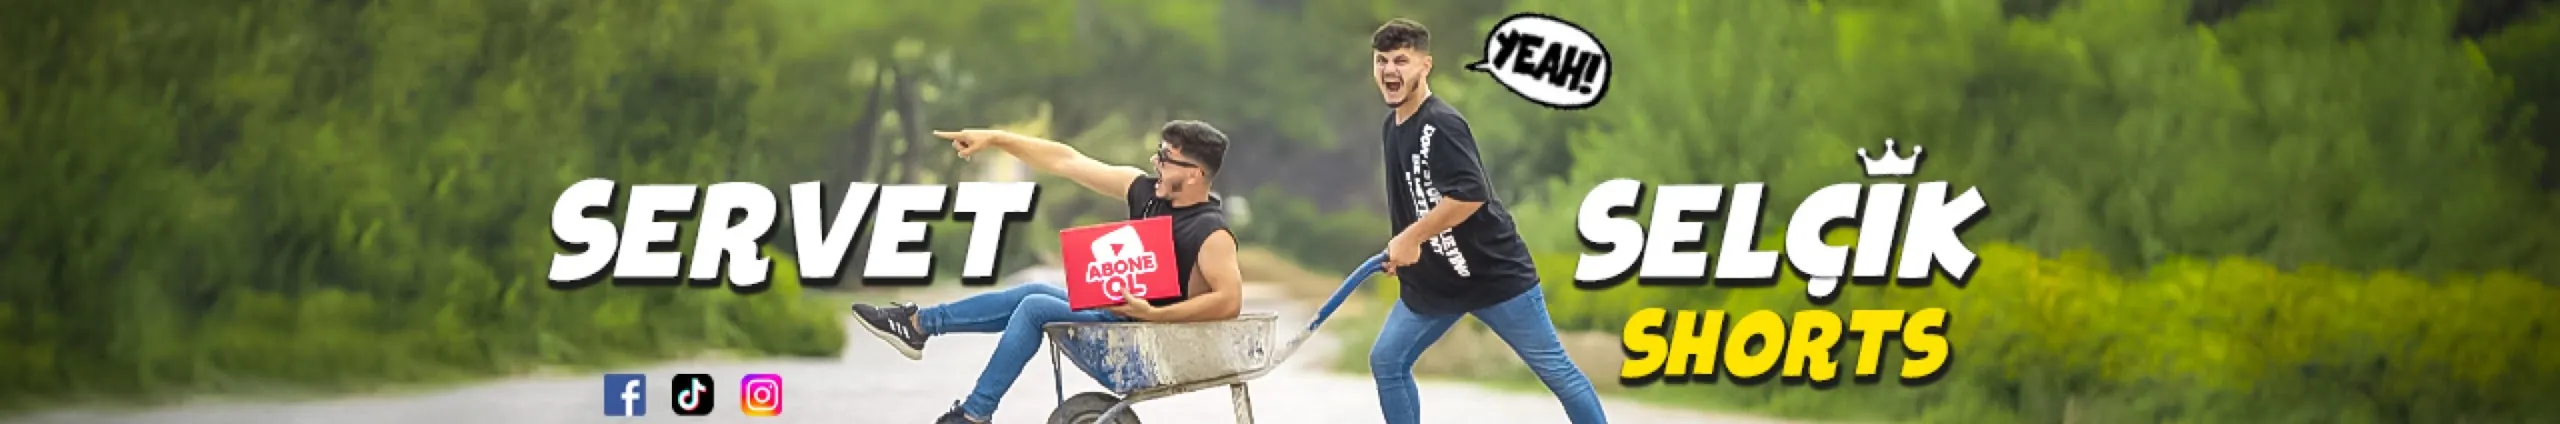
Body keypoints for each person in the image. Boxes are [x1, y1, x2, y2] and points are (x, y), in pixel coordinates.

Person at [848, 121, 1244, 424]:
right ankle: (918, 324)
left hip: (1144, 337)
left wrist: (1153, 314)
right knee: (1032, 290)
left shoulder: (1211, 232)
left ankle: (974, 414)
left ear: (1194, 173)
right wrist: (996, 138)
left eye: (1165, 158)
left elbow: (1229, 301)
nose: (1155, 164)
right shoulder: (1145, 192)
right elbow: (1066, 160)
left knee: (1035, 306)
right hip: (1118, 316)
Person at [1364, 18, 1609, 424]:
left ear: (1425, 65)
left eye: (1401, 61)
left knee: (1557, 372)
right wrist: (1402, 247)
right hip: (1437, 282)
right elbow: (1410, 201)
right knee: (1387, 360)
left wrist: (1413, 237)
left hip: (1495, 274)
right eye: (1382, 61)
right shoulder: (1393, 128)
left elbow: (1470, 195)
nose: (1390, 70)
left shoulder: (1442, 123)